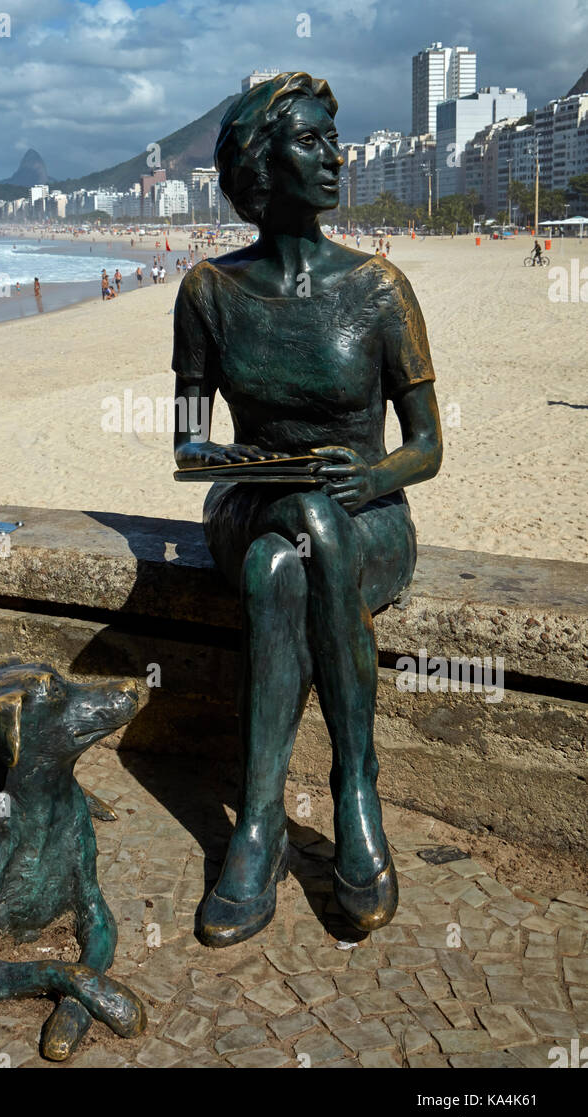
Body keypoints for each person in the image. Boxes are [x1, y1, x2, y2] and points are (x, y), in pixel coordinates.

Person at [173, 70, 441, 944]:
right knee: (284, 537)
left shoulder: (379, 288)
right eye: (312, 141)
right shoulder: (208, 292)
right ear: (260, 162)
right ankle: (342, 797)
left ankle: (264, 822)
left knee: (281, 565)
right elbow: (187, 443)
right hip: (252, 501)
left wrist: (369, 480)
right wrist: (238, 461)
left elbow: (426, 446)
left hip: (368, 517)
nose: (336, 159)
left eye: (337, 140)